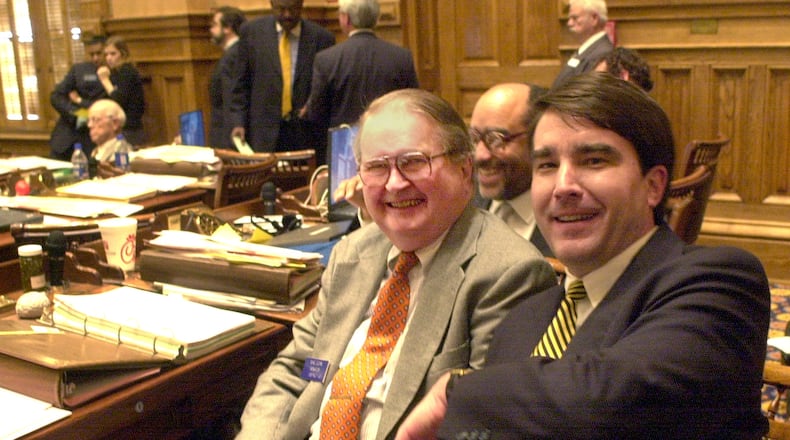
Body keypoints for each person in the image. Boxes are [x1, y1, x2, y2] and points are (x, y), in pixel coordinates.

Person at [396, 73, 771, 439]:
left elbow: (617, 399)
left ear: (654, 186)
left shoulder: (719, 283)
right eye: (547, 165)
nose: (563, 187)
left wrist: (457, 391)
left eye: (593, 160)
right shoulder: (523, 320)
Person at [236, 88, 557, 439]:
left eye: (413, 162)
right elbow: (297, 369)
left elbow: (484, 425)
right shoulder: (352, 254)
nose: (394, 183)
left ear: (465, 169)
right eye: (376, 167)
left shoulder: (508, 274)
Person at [229, 0, 335, 156]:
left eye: (293, 9)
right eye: (281, 9)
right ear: (272, 4)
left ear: (301, 5)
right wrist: (238, 122)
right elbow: (240, 84)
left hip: (306, 134)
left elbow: (327, 89)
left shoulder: (322, 38)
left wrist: (313, 105)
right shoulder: (252, 33)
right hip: (263, 133)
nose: (287, 15)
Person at [300, 0, 419, 131]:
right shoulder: (401, 57)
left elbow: (316, 113)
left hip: (344, 140)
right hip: (389, 135)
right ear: (376, 19)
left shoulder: (326, 59)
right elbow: (413, 105)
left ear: (346, 19)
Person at [470, 82, 552, 256]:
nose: (480, 156)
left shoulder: (569, 212)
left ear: (539, 137)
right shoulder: (461, 203)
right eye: (475, 138)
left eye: (496, 139)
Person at [49, 35, 107, 160]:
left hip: (95, 140)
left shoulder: (116, 73)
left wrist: (79, 101)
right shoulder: (78, 70)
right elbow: (56, 96)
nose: (95, 58)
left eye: (99, 53)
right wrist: (78, 113)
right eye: (91, 54)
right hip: (66, 139)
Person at [551, 0, 613, 89]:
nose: (569, 23)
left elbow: (586, 93)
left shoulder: (602, 53)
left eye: (575, 18)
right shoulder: (590, 49)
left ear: (594, 18)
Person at [97, 35, 146, 146]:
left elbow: (118, 100)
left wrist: (105, 80)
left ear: (123, 54)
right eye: (106, 54)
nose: (109, 58)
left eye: (113, 54)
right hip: (117, 127)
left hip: (130, 129)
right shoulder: (114, 72)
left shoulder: (127, 71)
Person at [209, 6, 246, 149]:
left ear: (227, 28)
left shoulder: (232, 57)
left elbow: (230, 100)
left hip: (228, 136)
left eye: (214, 25)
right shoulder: (237, 52)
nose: (211, 30)